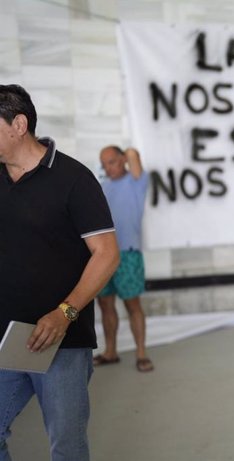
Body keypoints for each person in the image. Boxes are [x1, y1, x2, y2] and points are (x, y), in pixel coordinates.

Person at [0, 84, 120, 460]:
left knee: (66, 447)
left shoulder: (74, 179)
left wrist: (65, 313)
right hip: (4, 338)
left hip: (59, 340)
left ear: (18, 124)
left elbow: (106, 254)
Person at [94, 145, 153, 372]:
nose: (108, 167)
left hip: (128, 253)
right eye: (104, 164)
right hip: (103, 254)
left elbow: (133, 153)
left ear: (122, 160)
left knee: (132, 304)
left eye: (112, 162)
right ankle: (111, 351)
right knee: (105, 303)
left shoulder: (137, 181)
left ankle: (141, 353)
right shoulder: (103, 187)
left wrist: (124, 156)